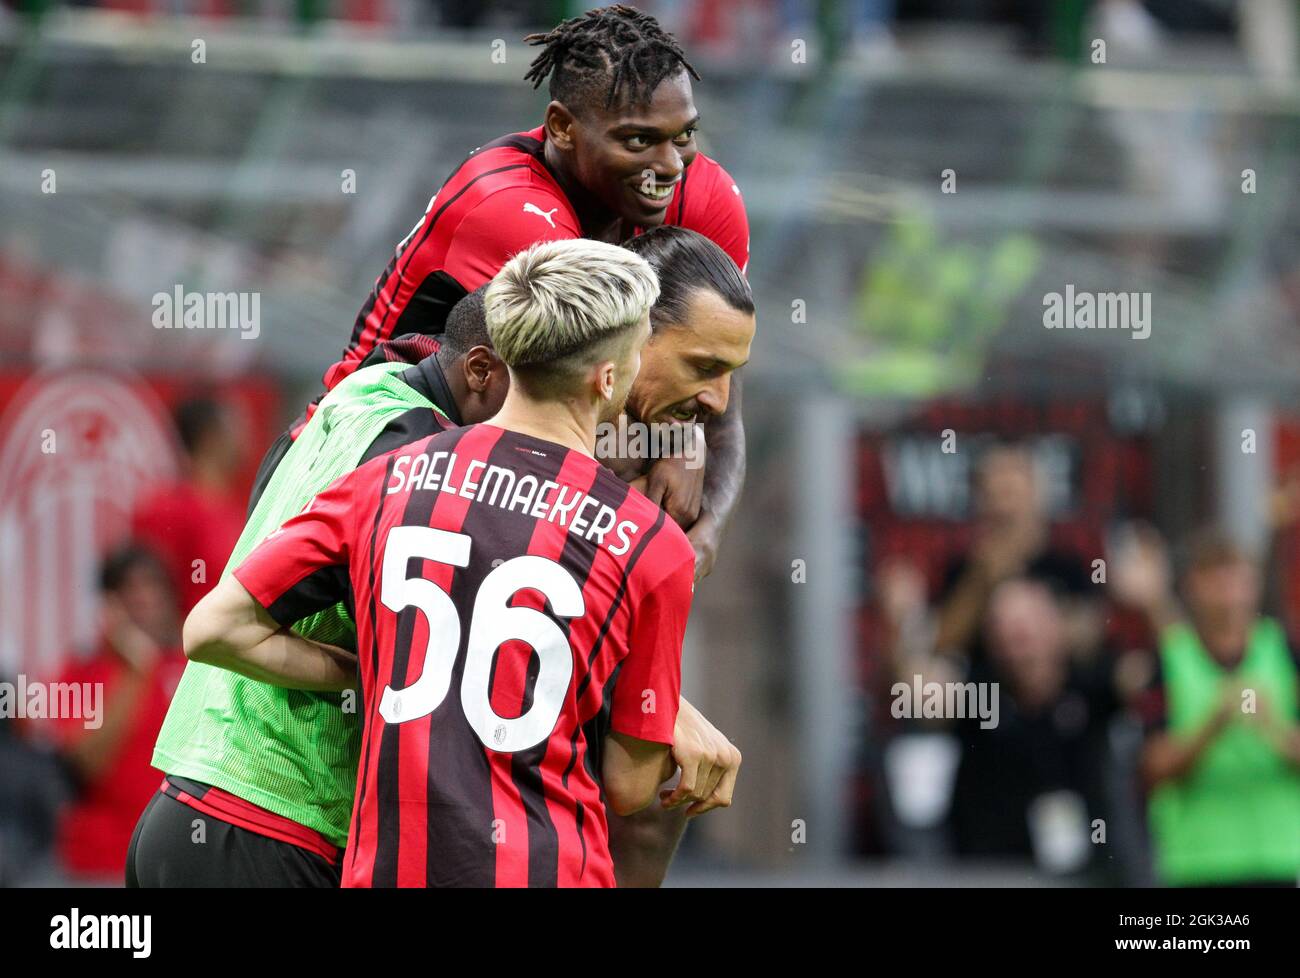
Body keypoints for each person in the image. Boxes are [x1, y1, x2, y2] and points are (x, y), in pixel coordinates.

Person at [135, 227, 748, 888]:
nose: (712, 402)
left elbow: (218, 620)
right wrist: (656, 708)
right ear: (612, 368)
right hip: (288, 820)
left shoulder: (379, 434)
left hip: (206, 803)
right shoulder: (626, 537)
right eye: (701, 367)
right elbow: (627, 781)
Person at [250, 4, 750, 581]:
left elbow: (714, 371)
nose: (667, 166)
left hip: (472, 487)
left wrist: (703, 519)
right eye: (637, 141)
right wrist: (672, 447)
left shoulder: (704, 195)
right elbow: (581, 414)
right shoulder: (509, 208)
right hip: (352, 470)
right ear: (562, 127)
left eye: (682, 136)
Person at [1128, 528, 1300, 887]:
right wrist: (1211, 728)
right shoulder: (1169, 659)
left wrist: (1271, 728)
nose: (1230, 594)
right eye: (1216, 579)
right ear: (1193, 586)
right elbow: (1150, 768)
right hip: (1196, 864)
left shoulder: (1285, 652)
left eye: (1238, 579)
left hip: (1280, 860)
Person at [50, 547, 185, 883]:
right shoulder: (82, 671)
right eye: (131, 590)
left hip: (176, 861)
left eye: (154, 587)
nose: (145, 600)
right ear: (108, 606)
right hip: (102, 864)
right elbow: (87, 762)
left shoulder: (191, 669)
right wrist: (138, 671)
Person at [132, 397, 246, 614]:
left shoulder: (237, 509)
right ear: (211, 437)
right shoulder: (169, 511)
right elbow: (150, 592)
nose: (245, 440)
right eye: (236, 429)